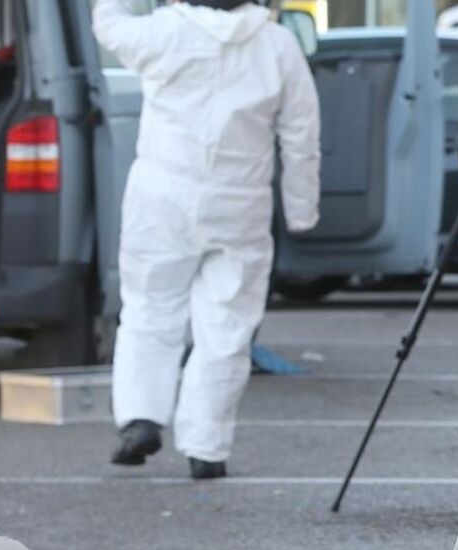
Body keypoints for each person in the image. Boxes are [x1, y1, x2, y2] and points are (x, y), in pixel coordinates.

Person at [94, 0, 321, 479]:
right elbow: (301, 134)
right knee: (227, 326)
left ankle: (141, 417)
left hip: (162, 194)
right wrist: (301, 212)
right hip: (240, 201)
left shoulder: (163, 32)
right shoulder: (277, 44)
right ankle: (207, 448)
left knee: (149, 309)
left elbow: (108, 22)